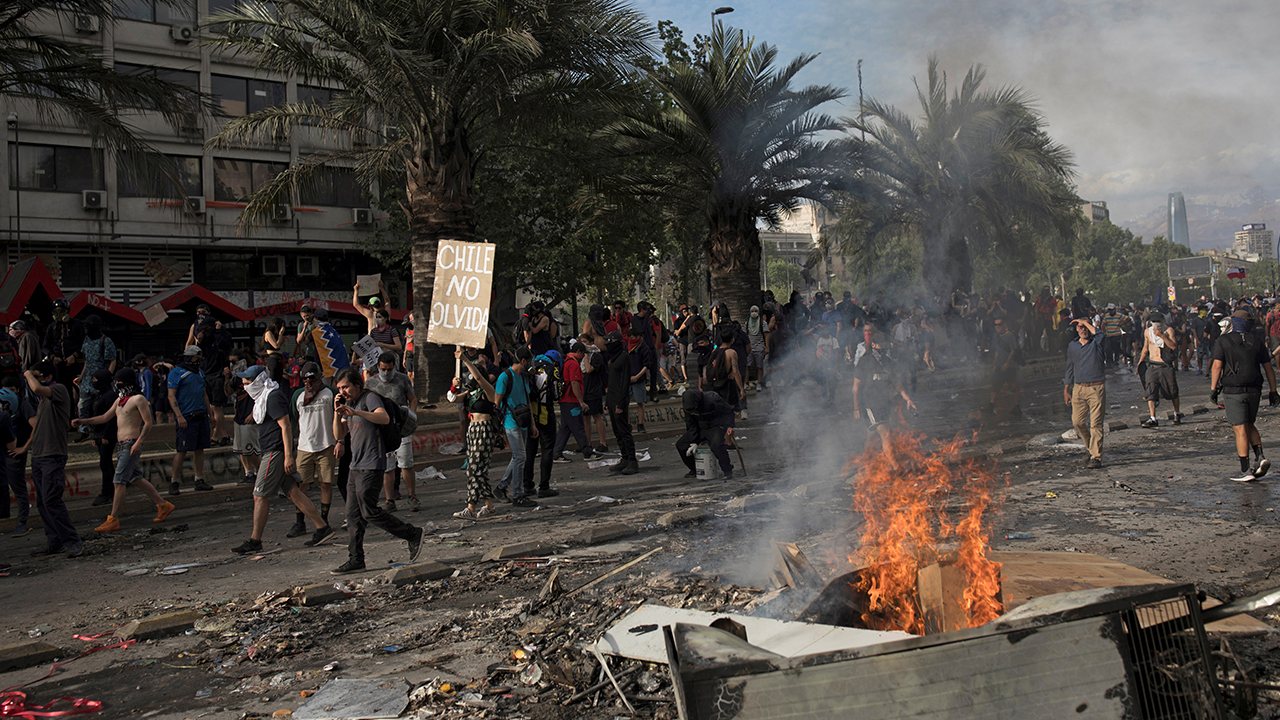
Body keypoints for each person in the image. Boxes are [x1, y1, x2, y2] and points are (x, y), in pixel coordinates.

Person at [230, 365, 334, 555]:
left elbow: (285, 427)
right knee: (293, 492)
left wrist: (287, 456)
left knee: (259, 495)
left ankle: (255, 540)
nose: (245, 386)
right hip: (272, 450)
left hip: (275, 451)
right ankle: (322, 527)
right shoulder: (263, 398)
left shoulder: (273, 396)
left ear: (259, 381)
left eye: (248, 382)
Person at [330, 367, 424, 574]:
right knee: (353, 515)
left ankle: (412, 533)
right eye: (339, 388)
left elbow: (383, 418)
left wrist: (355, 412)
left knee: (369, 511)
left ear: (357, 384)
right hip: (355, 465)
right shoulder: (350, 404)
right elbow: (339, 434)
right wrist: (338, 413)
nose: (342, 391)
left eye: (345, 386)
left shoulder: (369, 399)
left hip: (372, 464)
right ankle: (356, 559)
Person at [79, 368, 175, 532]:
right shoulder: (119, 400)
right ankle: (163, 505)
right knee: (136, 478)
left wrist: (138, 442)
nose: (117, 384)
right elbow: (104, 417)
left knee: (118, 481)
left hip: (131, 444)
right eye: (116, 381)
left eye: (120, 381)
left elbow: (148, 423)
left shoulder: (139, 399)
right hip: (122, 444)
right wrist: (83, 421)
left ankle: (113, 518)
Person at [19, 363, 83, 557]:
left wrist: (28, 373)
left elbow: (37, 387)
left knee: (51, 499)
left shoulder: (59, 389)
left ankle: (72, 541)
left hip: (53, 455)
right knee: (43, 502)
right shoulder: (43, 400)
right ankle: (54, 540)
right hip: (40, 455)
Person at [1213, 310, 1279, 482]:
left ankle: (1245, 470)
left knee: (1239, 427)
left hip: (1234, 390)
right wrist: (1273, 391)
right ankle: (1260, 457)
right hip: (1255, 389)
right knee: (1250, 423)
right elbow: (1269, 368)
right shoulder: (1256, 341)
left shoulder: (1223, 341)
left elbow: (1217, 367)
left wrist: (1213, 389)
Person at [851, 329, 917, 464]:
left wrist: (908, 399)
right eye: (881, 345)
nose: (884, 348)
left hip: (884, 403)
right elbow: (856, 387)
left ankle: (866, 460)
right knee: (886, 433)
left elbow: (897, 384)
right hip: (869, 404)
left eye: (885, 346)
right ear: (873, 345)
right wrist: (856, 408)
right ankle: (895, 467)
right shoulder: (864, 362)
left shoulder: (888, 362)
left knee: (872, 434)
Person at [365, 351, 419, 512]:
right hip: (382, 430)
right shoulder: (371, 383)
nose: (386, 372)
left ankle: (412, 496)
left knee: (406, 462)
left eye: (389, 369)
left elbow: (413, 398)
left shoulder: (402, 379)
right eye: (383, 369)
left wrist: (412, 416)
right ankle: (390, 500)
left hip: (401, 427)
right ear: (378, 368)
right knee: (387, 466)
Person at [453, 349, 499, 520]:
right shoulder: (470, 394)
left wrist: (465, 359)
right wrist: (454, 386)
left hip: (484, 428)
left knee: (475, 469)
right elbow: (453, 398)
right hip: (472, 429)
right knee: (480, 469)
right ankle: (489, 505)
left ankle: (471, 507)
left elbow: (479, 378)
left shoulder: (488, 390)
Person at [293, 362, 339, 529]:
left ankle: (324, 519)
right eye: (305, 379)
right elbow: (293, 419)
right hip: (304, 446)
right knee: (301, 486)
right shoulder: (298, 396)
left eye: (312, 378)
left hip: (326, 445)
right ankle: (300, 522)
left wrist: (339, 440)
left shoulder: (331, 393)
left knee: (325, 484)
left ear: (320, 377)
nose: (309, 382)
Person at [167, 345, 215, 495]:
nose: (198, 361)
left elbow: (204, 393)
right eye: (196, 359)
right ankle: (174, 481)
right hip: (187, 416)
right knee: (182, 450)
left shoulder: (200, 373)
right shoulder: (177, 373)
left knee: (200, 449)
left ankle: (199, 478)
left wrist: (210, 413)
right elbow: (171, 395)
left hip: (201, 414)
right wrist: (179, 415)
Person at [493, 348, 537, 507]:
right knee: (520, 457)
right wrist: (498, 430)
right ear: (523, 361)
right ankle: (518, 495)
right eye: (529, 360)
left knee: (518, 457)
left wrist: (532, 424)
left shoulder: (524, 377)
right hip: (511, 423)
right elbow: (496, 404)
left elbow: (527, 401)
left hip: (523, 421)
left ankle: (501, 487)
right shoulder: (505, 377)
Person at [1063, 318, 1106, 469]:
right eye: (1080, 326)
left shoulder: (1097, 342)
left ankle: (1096, 457)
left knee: (1096, 424)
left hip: (1096, 388)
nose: (1083, 329)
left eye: (1085, 326)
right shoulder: (1073, 346)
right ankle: (1090, 448)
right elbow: (1070, 367)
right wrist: (1066, 389)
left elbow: (1100, 334)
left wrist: (1085, 322)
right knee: (1077, 422)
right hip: (1078, 388)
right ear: (1076, 329)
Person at [522, 351, 560, 498]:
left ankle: (528, 485)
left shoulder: (530, 367)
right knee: (547, 449)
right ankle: (544, 486)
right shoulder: (552, 370)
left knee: (530, 450)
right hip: (545, 414)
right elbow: (557, 394)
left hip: (530, 414)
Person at [1, 378, 35, 536]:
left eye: (10, 389)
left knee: (18, 488)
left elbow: (36, 426)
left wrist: (24, 448)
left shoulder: (23, 404)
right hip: (4, 453)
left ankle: (22, 522)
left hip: (14, 453)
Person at [675, 389, 735, 479]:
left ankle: (727, 470)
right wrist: (693, 441)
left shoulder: (712, 399)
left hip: (715, 426)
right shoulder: (688, 406)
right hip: (700, 428)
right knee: (681, 445)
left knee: (717, 446)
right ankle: (694, 469)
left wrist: (729, 426)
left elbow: (728, 411)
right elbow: (690, 423)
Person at [551, 340, 594, 463]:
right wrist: (581, 402)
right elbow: (574, 383)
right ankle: (587, 452)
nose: (583, 357)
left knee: (566, 428)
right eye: (583, 354)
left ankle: (557, 453)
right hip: (572, 401)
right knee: (578, 426)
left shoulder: (566, 362)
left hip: (565, 400)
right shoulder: (574, 364)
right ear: (578, 352)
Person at [1137, 312, 1182, 428]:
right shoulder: (1148, 332)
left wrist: (1162, 336)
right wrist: (1140, 362)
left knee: (1172, 391)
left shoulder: (1169, 331)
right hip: (1152, 365)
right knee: (1150, 392)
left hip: (1165, 366)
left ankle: (1177, 413)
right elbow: (1145, 348)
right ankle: (1153, 418)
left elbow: (1173, 346)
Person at [75, 316, 116, 439]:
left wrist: (107, 377)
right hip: (87, 380)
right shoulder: (86, 340)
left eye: (90, 324)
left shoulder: (106, 341)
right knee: (82, 406)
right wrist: (81, 377)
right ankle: (83, 430)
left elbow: (112, 361)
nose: (87, 327)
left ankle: (99, 429)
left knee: (99, 406)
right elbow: (86, 361)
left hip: (100, 380)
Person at [604, 331, 638, 475]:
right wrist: (607, 401)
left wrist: (621, 403)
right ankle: (624, 458)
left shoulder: (624, 357)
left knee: (624, 431)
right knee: (617, 432)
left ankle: (632, 460)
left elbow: (625, 383)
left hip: (619, 399)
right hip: (611, 398)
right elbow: (611, 382)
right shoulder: (613, 358)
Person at [42, 298, 85, 399]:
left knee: (80, 390)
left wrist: (74, 355)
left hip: (76, 364)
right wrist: (53, 357)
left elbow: (84, 344)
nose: (58, 314)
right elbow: (45, 346)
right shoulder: (52, 327)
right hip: (59, 366)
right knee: (63, 392)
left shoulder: (76, 325)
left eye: (61, 311)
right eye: (56, 312)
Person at [86, 369, 117, 507]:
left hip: (107, 435)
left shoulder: (109, 396)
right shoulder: (101, 395)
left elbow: (110, 418)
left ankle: (108, 493)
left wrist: (105, 435)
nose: (93, 383)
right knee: (106, 463)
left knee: (105, 464)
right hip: (101, 434)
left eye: (96, 380)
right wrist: (95, 435)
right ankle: (112, 490)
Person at [988, 316, 1023, 418]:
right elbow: (997, 351)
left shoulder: (1010, 336)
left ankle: (1017, 407)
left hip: (1009, 366)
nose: (997, 327)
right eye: (995, 325)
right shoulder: (997, 336)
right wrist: (995, 364)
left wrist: (1007, 363)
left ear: (1004, 325)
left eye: (999, 325)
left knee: (1013, 386)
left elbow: (1013, 350)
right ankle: (990, 406)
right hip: (999, 365)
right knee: (995, 385)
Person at [263, 317, 286, 383]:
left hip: (278, 358)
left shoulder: (274, 334)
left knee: (279, 379)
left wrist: (283, 340)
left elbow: (278, 346)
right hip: (273, 358)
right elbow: (276, 346)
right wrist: (280, 334)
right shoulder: (268, 333)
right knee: (274, 379)